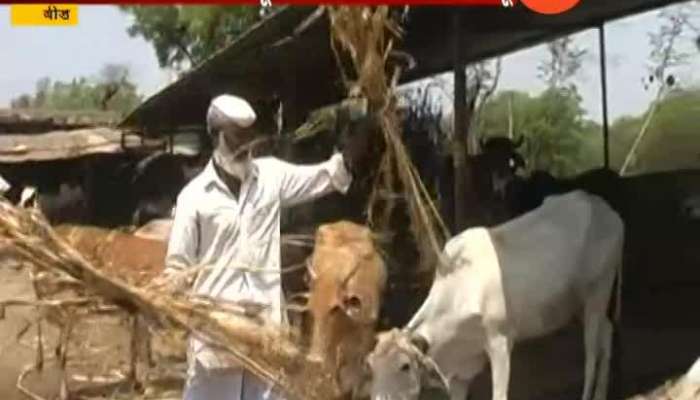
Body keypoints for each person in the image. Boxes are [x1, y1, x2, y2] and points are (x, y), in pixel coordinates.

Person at [161, 94, 372, 400]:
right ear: (216, 137)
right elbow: (178, 268)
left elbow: (324, 176)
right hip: (217, 342)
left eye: (249, 137)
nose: (245, 146)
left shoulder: (270, 176)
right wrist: (170, 299)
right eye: (236, 138)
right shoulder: (193, 198)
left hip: (268, 338)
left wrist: (355, 144)